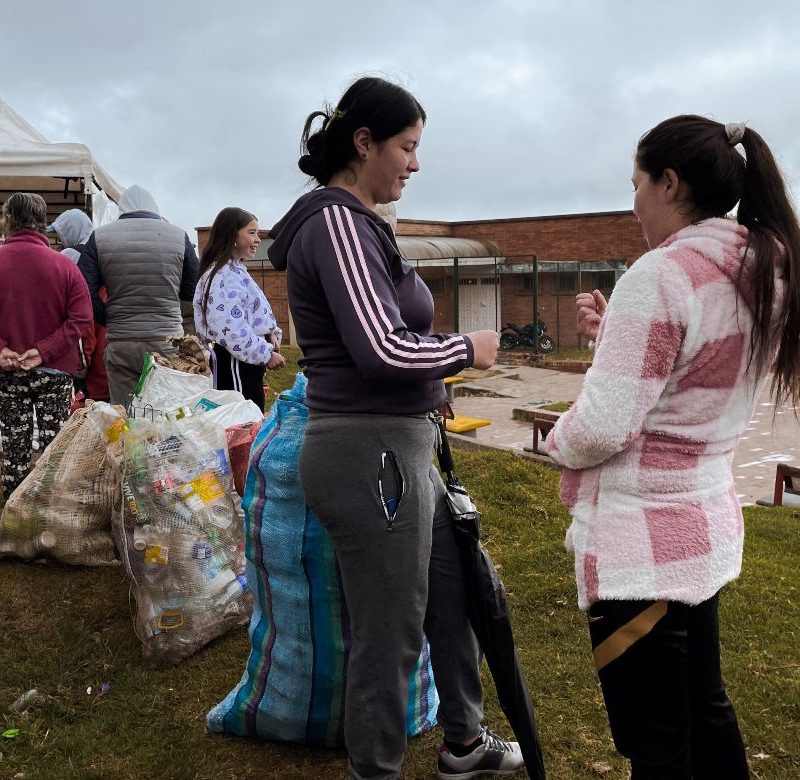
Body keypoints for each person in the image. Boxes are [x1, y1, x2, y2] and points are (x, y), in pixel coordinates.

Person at [268, 77, 522, 780]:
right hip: (367, 452)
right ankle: (374, 771)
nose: (414, 163)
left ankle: (464, 745)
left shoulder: (360, 224)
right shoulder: (336, 224)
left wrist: (431, 383)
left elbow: (384, 345)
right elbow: (379, 348)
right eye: (407, 147)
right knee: (388, 632)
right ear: (364, 142)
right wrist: (468, 350)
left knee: (453, 592)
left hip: (398, 445)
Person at [546, 115, 800, 779]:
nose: (632, 203)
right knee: (703, 706)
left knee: (654, 741)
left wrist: (555, 440)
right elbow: (687, 381)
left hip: (641, 550)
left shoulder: (661, 276)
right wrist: (615, 338)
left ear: (669, 181)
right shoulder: (761, 268)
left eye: (636, 185)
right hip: (702, 531)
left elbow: (602, 425)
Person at [0, 193, 92, 498]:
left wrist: (2, 349)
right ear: (42, 224)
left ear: (9, 220)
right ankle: (52, 515)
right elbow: (81, 318)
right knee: (55, 449)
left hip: (8, 371)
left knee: (14, 449)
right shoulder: (65, 266)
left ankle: (13, 518)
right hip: (54, 370)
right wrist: (44, 350)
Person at [77, 185, 199, 406]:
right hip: (167, 340)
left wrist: (109, 318)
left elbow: (85, 291)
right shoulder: (178, 236)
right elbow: (192, 288)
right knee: (166, 413)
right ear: (155, 208)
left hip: (121, 341)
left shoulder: (100, 237)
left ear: (121, 210)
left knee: (125, 415)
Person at [193, 207, 285, 409]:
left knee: (251, 418)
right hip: (237, 361)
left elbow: (252, 314)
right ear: (232, 236)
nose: (258, 239)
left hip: (246, 360)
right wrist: (266, 353)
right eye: (251, 233)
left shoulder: (234, 271)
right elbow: (231, 330)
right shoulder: (222, 277)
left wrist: (270, 334)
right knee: (242, 420)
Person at [51, 209, 110, 402]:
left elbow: (79, 321)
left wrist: (80, 367)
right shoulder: (103, 248)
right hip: (111, 328)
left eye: (60, 234)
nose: (60, 240)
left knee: (90, 401)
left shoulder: (71, 255)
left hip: (86, 334)